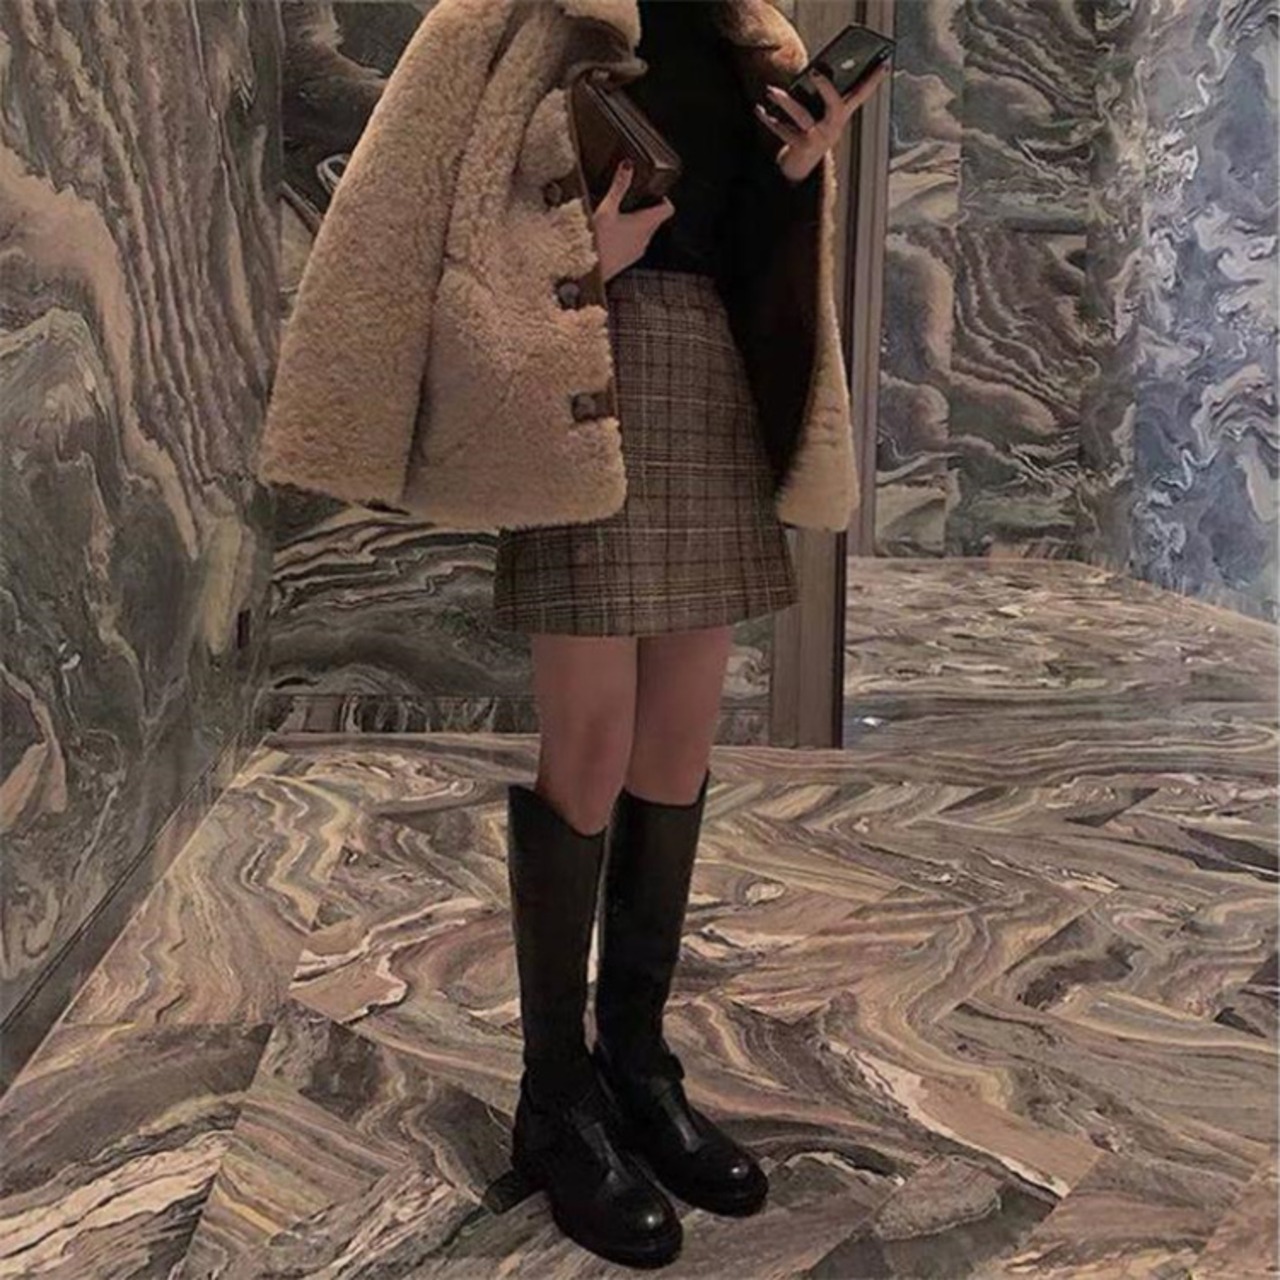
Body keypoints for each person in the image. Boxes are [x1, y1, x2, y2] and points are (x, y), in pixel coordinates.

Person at [496, 0, 887, 1270]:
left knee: (675, 743)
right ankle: (554, 1099)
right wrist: (576, 260)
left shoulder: (747, 39)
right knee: (589, 747)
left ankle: (634, 1059)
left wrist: (795, 169)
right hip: (583, 376)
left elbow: (745, 247)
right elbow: (447, 217)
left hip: (707, 376)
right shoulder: (539, 21)